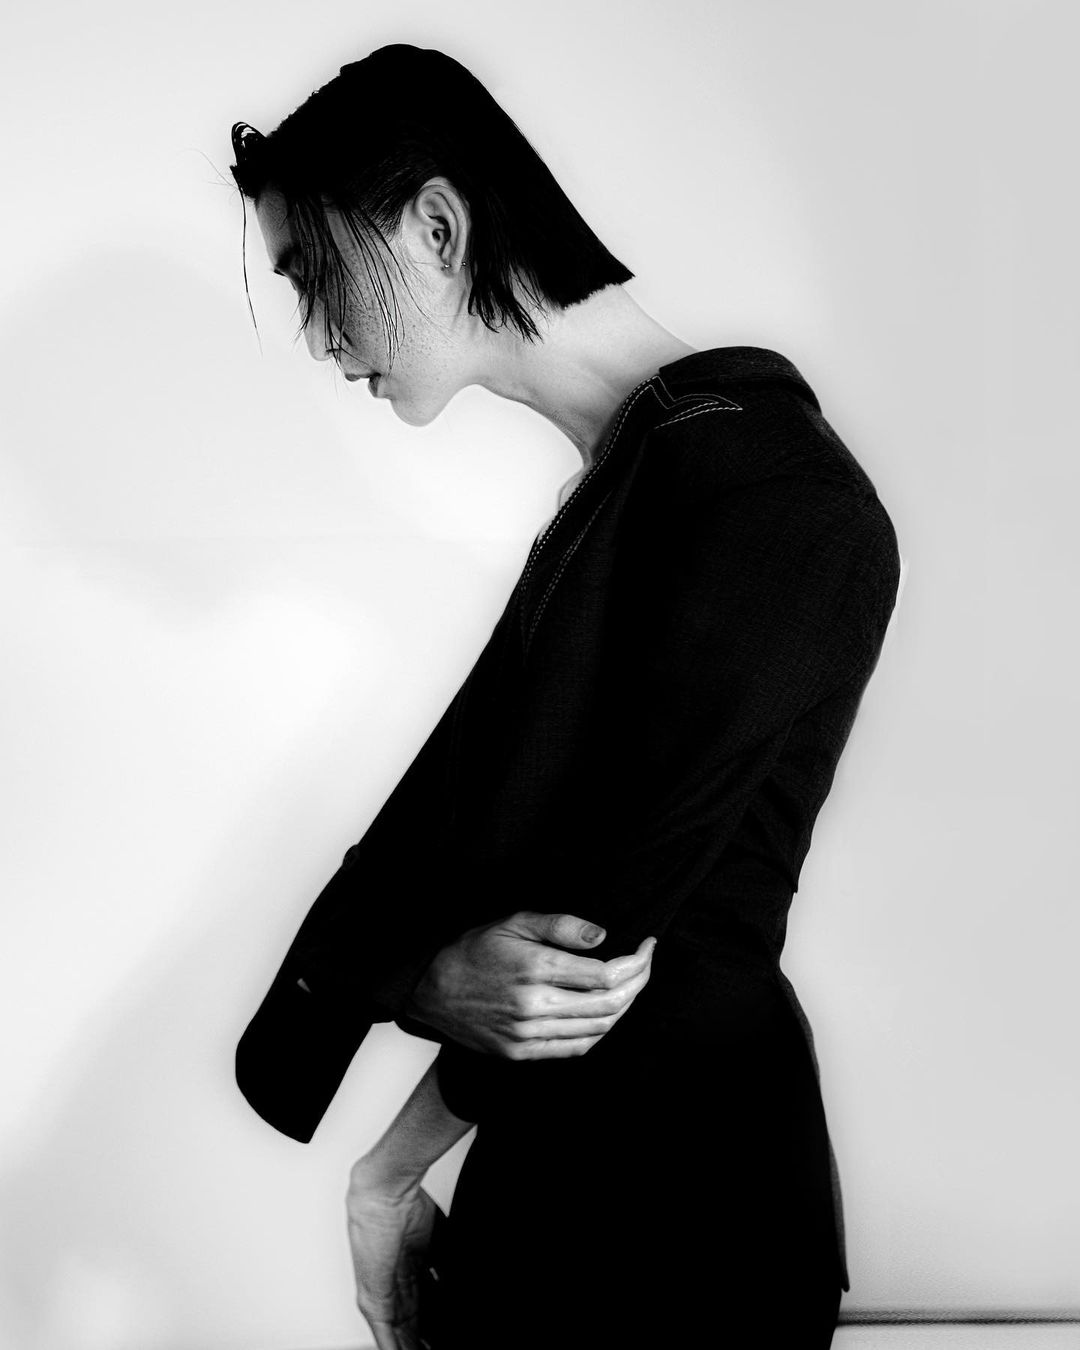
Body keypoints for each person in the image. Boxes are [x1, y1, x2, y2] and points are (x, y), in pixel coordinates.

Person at [228, 42, 901, 1350]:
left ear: (436, 228)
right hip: (560, 1197)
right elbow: (509, 890)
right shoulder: (640, 487)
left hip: (684, 1230)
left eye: (314, 274)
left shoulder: (769, 491)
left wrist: (384, 1177)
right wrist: (418, 1002)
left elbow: (589, 943)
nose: (319, 335)